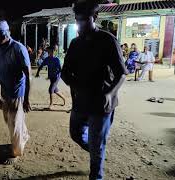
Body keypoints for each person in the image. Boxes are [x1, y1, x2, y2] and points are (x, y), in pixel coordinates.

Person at [61, 1, 128, 180]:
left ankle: (96, 173)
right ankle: (96, 151)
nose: (80, 23)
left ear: (95, 18)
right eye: (77, 19)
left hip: (101, 104)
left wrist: (110, 93)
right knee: (75, 134)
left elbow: (122, 73)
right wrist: (74, 85)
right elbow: (65, 72)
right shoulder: (75, 43)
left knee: (97, 144)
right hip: (81, 102)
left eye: (84, 19)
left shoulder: (108, 40)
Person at [0, 18, 31, 164]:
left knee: (14, 122)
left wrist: (27, 98)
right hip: (5, 91)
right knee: (9, 120)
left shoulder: (18, 48)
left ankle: (16, 152)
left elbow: (29, 76)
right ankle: (24, 135)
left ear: (4, 35)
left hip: (17, 92)